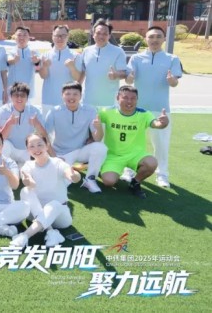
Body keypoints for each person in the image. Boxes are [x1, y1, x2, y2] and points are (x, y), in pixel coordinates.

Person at [125, 26, 182, 188]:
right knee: (131, 142)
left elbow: (175, 83)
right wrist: (130, 77)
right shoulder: (136, 58)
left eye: (158, 37)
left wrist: (171, 80)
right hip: (137, 109)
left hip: (160, 109)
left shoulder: (172, 58)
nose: (154, 40)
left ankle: (162, 174)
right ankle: (128, 171)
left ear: (164, 39)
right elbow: (128, 80)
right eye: (151, 37)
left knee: (161, 144)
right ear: (146, 39)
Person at [10, 133, 81, 248]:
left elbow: (71, 174)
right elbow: (29, 182)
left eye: (40, 145)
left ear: (47, 145)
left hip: (60, 217)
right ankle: (51, 232)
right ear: (28, 150)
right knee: (25, 191)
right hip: (35, 213)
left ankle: (24, 236)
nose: (36, 149)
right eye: (32, 146)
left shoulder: (58, 163)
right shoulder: (27, 165)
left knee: (54, 204)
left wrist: (74, 176)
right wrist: (28, 181)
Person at [98, 85, 169, 199]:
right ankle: (101, 169)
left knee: (151, 163)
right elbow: (89, 118)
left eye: (133, 98)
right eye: (125, 98)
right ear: (118, 98)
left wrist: (163, 123)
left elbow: (156, 124)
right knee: (109, 182)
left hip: (135, 154)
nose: (129, 101)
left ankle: (135, 182)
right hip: (113, 155)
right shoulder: (107, 112)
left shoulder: (144, 114)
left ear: (137, 99)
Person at [44, 82, 106, 193]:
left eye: (75, 94)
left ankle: (90, 179)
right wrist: (54, 157)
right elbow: (44, 136)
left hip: (80, 150)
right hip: (60, 153)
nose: (71, 97)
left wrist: (99, 127)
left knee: (100, 148)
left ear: (80, 96)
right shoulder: (54, 111)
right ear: (62, 95)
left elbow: (98, 139)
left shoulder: (91, 110)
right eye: (68, 94)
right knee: (62, 183)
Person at [76, 19, 127, 108]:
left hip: (109, 103)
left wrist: (116, 75)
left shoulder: (118, 51)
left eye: (105, 34)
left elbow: (124, 73)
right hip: (88, 101)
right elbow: (83, 73)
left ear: (109, 35)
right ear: (93, 34)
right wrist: (76, 90)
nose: (101, 36)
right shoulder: (86, 51)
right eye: (98, 33)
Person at [0, 82, 48, 168]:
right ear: (11, 97)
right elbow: (1, 138)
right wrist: (9, 123)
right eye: (16, 95)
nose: (19, 98)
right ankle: (3, 167)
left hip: (26, 150)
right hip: (10, 148)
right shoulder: (3, 110)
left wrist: (37, 124)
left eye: (23, 95)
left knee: (25, 170)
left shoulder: (35, 111)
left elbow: (44, 135)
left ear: (27, 98)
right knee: (4, 144)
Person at [39, 24, 80, 118]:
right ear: (52, 36)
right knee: (47, 126)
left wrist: (72, 67)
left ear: (68, 36)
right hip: (48, 99)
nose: (60, 38)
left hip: (68, 100)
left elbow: (77, 78)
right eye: (57, 35)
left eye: (63, 35)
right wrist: (44, 67)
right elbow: (43, 76)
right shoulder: (45, 55)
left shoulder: (75, 55)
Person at [6, 26, 40, 101]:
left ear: (29, 37)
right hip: (12, 89)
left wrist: (36, 61)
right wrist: (14, 60)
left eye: (25, 35)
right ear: (15, 37)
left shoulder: (34, 51)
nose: (22, 37)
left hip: (28, 90)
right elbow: (8, 60)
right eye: (19, 35)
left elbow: (38, 64)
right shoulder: (10, 51)